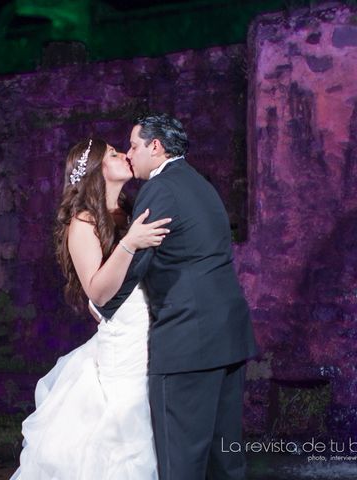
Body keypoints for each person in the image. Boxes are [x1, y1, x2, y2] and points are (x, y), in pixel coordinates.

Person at [94, 114, 258, 480]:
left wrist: (103, 304)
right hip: (228, 336)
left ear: (156, 146)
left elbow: (138, 258)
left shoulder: (160, 188)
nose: (130, 154)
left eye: (134, 146)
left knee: (181, 463)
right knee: (226, 462)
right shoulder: (200, 184)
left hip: (189, 344)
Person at [10, 138, 170, 480]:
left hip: (148, 329)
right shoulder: (82, 223)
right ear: (98, 170)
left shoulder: (129, 211)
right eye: (113, 154)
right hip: (121, 344)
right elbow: (97, 292)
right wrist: (130, 243)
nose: (125, 155)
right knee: (125, 432)